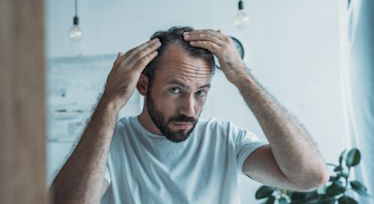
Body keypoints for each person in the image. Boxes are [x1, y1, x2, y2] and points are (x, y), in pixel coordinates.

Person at [50, 26, 330, 204]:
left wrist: (242, 78)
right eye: (176, 90)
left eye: (201, 92)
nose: (190, 109)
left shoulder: (226, 139)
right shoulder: (111, 143)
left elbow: (309, 177)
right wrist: (110, 101)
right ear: (144, 86)